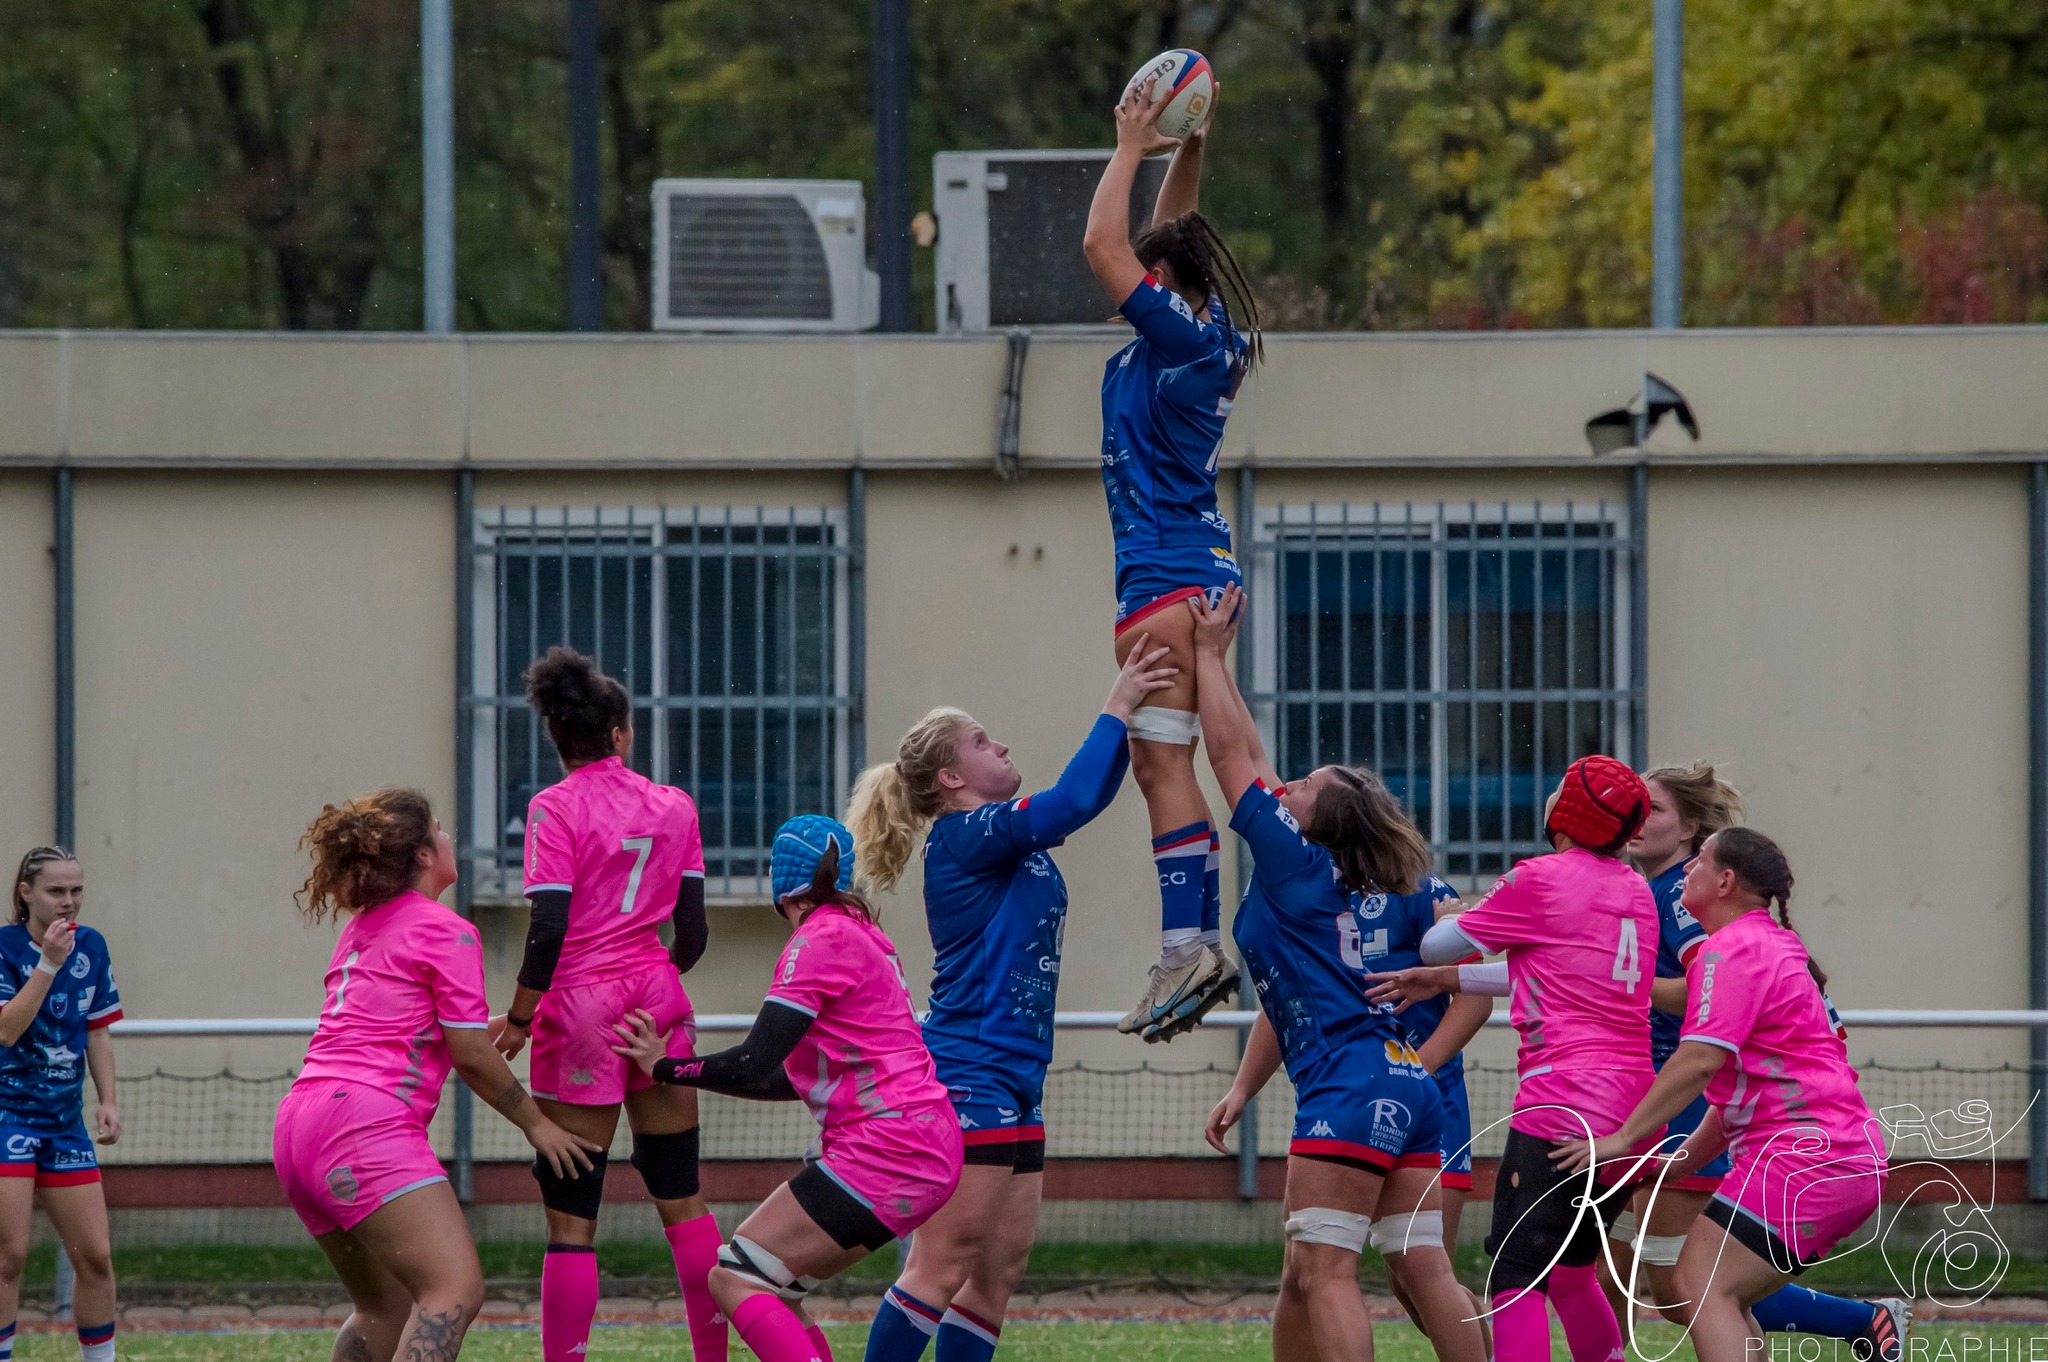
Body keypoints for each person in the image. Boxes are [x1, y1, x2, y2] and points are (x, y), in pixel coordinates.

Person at [853, 641, 1175, 1362]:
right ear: (952, 776)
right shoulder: (967, 835)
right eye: (979, 741)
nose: (997, 744)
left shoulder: (1000, 839)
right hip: (971, 1071)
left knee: (995, 1275)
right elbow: (1072, 802)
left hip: (1017, 1076)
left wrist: (1144, 722)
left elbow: (1079, 800)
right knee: (942, 1265)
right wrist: (1118, 706)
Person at [1187, 588, 1482, 1362]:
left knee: (1325, 1274)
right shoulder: (1337, 869)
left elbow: (1229, 759)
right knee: (1405, 1271)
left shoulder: (1294, 867)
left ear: (1321, 822)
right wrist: (1244, 1086)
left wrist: (1209, 659)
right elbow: (1253, 757)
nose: (1288, 786)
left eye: (1306, 786)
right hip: (1404, 1080)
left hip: (1349, 1083)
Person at [613, 816, 963, 1362]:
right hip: (920, 1141)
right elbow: (785, 1077)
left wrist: (665, 1069)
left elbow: (753, 1061)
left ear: (781, 882)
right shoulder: (862, 932)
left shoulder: (819, 940)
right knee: (773, 1285)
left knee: (733, 1280)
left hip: (890, 1149)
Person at [274, 790, 598, 1362]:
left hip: (301, 1123)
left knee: (383, 1309)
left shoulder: (365, 925)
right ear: (424, 857)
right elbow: (469, 1053)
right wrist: (537, 1125)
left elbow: (422, 1029)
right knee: (454, 1291)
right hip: (363, 1123)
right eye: (441, 832)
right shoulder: (446, 929)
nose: (449, 840)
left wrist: (515, 1022)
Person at [1552, 828, 1889, 1362]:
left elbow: (1699, 1060)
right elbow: (1730, 1102)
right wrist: (1666, 1167)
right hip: (1839, 1158)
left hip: (1806, 1161)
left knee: (1697, 1287)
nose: (1688, 869)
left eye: (1701, 861)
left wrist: (1621, 1139)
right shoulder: (1769, 941)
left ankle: (1868, 1321)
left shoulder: (1729, 951)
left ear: (1726, 881)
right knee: (1720, 1297)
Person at [1366, 753, 1659, 1362]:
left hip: (1563, 1101)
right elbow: (1554, 971)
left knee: (1514, 1279)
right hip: (1631, 1104)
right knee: (1574, 1272)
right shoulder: (1634, 888)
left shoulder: (1543, 877)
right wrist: (1448, 979)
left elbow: (1440, 936)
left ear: (1570, 811)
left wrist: (1451, 919)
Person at [1082, 72, 1265, 1042]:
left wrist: (1128, 142)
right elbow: (1169, 232)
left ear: (1162, 287)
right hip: (1184, 569)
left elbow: (1101, 244)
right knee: (1163, 771)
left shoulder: (1174, 340)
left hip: (1166, 573)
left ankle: (1193, 944)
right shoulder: (1207, 336)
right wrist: (1187, 141)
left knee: (1170, 770)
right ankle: (1183, 945)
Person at [488, 646, 722, 1362]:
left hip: (580, 1010)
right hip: (658, 1000)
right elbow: (694, 933)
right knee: (682, 1199)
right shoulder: (674, 804)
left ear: (559, 740)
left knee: (572, 1222)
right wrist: (651, 970)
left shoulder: (552, 808)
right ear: (620, 734)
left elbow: (549, 926)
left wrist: (522, 1018)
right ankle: (713, 1355)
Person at [0, 848, 121, 1362]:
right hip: (7, 1119)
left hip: (64, 1124)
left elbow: (97, 1031)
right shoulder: (4, 947)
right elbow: (6, 1030)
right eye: (56, 891)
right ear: (26, 892)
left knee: (95, 1256)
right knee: (10, 1255)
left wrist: (108, 1100)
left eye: (76, 891)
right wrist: (49, 963)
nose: (68, 902)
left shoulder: (92, 945)